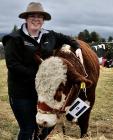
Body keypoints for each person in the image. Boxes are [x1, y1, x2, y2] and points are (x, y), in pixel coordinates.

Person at [2, 2, 83, 140]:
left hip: (44, 93)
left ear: (43, 20)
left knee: (46, 125)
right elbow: (13, 65)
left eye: (40, 16)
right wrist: (40, 76)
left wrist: (77, 47)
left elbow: (67, 38)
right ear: (26, 19)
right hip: (21, 92)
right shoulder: (14, 38)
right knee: (27, 129)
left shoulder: (49, 35)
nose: (36, 19)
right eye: (32, 16)